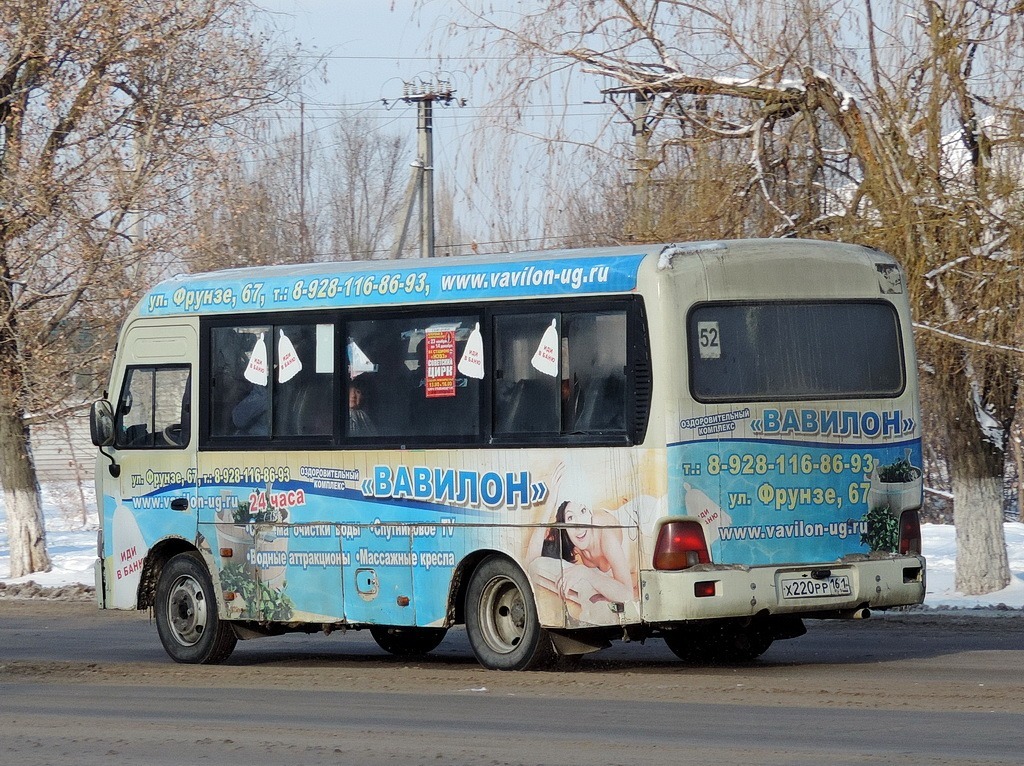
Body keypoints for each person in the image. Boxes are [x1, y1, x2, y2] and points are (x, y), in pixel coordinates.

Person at [526, 499, 635, 625]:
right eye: (571, 517)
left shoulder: (606, 536)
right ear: (564, 524)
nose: (579, 524)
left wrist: (586, 573)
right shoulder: (572, 539)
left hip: (642, 519)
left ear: (590, 513)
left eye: (583, 511)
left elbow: (627, 595)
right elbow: (531, 565)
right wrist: (549, 506)